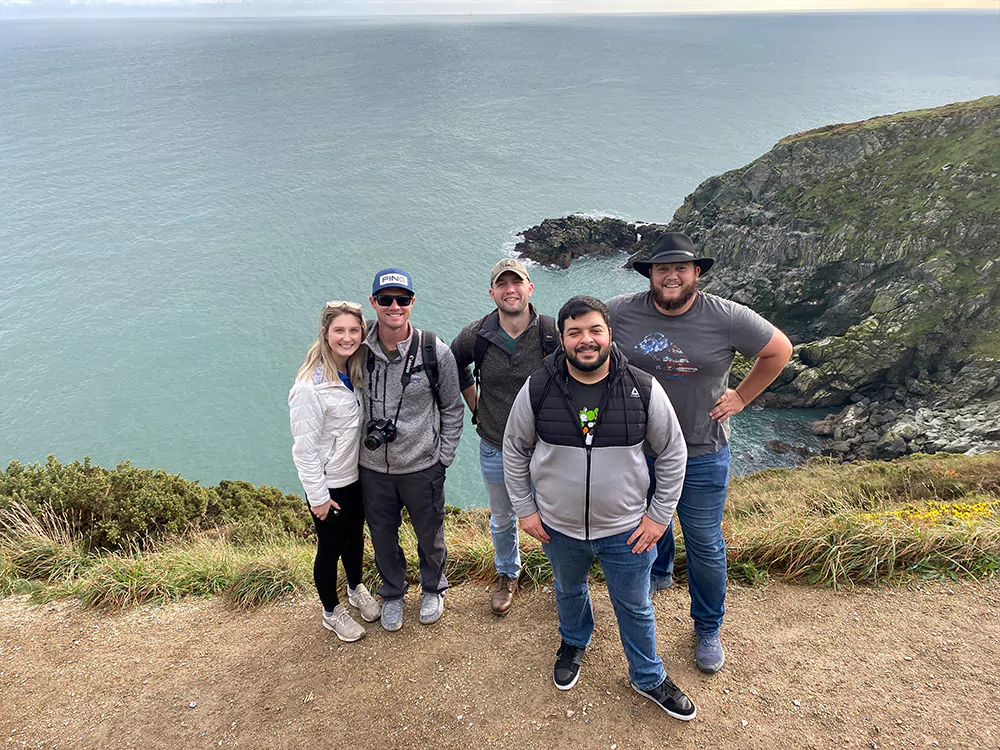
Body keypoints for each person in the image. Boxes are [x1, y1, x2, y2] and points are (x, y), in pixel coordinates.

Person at [503, 295, 696, 722]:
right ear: (563, 339)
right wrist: (525, 509)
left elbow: (672, 452)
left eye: (594, 330)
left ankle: (647, 676)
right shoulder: (538, 386)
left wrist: (659, 516)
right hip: (558, 525)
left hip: (627, 528)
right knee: (568, 590)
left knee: (635, 605)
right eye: (574, 332)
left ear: (609, 334)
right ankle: (574, 640)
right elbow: (514, 449)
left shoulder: (643, 387)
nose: (585, 340)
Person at [608, 232, 793, 674]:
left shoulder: (727, 316)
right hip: (640, 447)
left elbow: (778, 350)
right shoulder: (620, 311)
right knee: (649, 523)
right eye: (661, 269)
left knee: (706, 542)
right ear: (650, 275)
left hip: (702, 450)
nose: (671, 276)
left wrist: (743, 397)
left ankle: (708, 626)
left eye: (680, 269)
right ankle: (661, 571)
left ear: (696, 274)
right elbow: (581, 338)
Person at [450, 258, 559, 616]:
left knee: (553, 513)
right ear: (492, 292)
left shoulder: (550, 333)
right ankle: (507, 573)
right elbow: (452, 364)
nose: (510, 289)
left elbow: (579, 371)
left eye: (518, 282)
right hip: (495, 443)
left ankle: (564, 575)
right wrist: (475, 405)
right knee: (502, 517)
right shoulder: (476, 335)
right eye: (502, 284)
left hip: (546, 446)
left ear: (530, 288)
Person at [359, 267, 464, 632]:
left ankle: (434, 588)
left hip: (422, 466)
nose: (394, 306)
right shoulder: (357, 350)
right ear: (373, 302)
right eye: (386, 299)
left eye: (402, 299)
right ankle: (392, 592)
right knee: (382, 536)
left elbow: (452, 406)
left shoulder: (434, 351)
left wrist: (443, 457)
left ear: (412, 302)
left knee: (430, 534)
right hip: (372, 467)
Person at [289, 300, 383, 642]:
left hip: (355, 475)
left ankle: (356, 589)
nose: (347, 337)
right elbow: (304, 450)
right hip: (329, 484)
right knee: (329, 547)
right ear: (325, 334)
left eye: (354, 330)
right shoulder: (308, 388)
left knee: (354, 538)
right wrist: (318, 498)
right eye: (339, 330)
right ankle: (331, 611)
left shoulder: (352, 371)